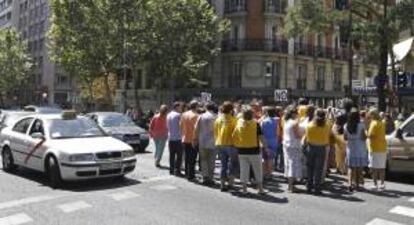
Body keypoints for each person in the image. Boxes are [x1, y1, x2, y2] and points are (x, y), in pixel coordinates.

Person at [233, 107, 267, 195]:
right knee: (258, 170)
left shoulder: (239, 123)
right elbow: (261, 137)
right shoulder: (255, 124)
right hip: (254, 150)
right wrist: (266, 147)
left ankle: (244, 189)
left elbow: (234, 136)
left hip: (242, 150)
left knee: (244, 170)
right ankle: (260, 189)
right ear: (252, 115)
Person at [304, 109, 333, 195]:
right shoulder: (327, 126)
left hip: (310, 147)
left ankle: (309, 186)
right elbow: (329, 123)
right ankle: (317, 188)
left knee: (310, 168)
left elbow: (306, 137)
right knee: (319, 169)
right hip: (321, 148)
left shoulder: (309, 126)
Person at [214, 102, 238, 192]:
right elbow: (236, 134)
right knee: (233, 164)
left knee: (223, 165)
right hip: (231, 144)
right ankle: (231, 184)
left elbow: (215, 133)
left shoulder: (218, 119)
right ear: (231, 110)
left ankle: (222, 184)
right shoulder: (234, 120)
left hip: (220, 144)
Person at [193, 102, 217, 185]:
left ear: (206, 108)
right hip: (213, 142)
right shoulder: (216, 117)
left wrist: (195, 139)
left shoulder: (201, 116)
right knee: (211, 161)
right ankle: (211, 177)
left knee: (203, 160)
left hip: (202, 141)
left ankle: (205, 177)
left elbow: (196, 129)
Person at [344, 108, 368, 192]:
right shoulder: (361, 125)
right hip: (360, 148)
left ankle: (350, 183)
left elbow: (345, 137)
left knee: (351, 168)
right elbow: (363, 137)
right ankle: (357, 185)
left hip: (350, 147)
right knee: (358, 168)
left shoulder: (346, 125)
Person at [283, 106, 303, 193]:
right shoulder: (294, 123)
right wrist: (303, 133)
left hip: (287, 144)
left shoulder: (286, 121)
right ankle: (291, 186)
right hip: (293, 145)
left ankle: (290, 185)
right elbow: (297, 135)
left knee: (288, 164)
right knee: (293, 165)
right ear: (294, 114)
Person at [367, 108, 387, 190]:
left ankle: (375, 184)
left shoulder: (373, 123)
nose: (369, 115)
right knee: (382, 168)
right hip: (382, 147)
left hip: (374, 148)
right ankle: (382, 184)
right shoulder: (381, 123)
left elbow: (370, 135)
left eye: (370, 114)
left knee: (374, 168)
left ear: (373, 115)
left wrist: (365, 132)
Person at [180, 100, 200, 181]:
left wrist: (183, 134)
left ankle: (187, 174)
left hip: (185, 138)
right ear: (196, 106)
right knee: (192, 159)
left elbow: (180, 125)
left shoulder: (184, 114)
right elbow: (197, 129)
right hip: (193, 139)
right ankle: (191, 175)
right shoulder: (196, 116)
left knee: (187, 158)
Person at [260, 106, 279, 179]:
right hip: (273, 142)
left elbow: (261, 132)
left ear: (267, 113)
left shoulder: (263, 121)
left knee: (264, 158)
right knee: (271, 159)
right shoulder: (277, 121)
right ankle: (269, 174)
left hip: (264, 141)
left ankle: (264, 173)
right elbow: (277, 132)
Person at [167, 102, 184, 176]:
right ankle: (177, 171)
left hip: (171, 137)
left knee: (172, 155)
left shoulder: (168, 115)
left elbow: (167, 126)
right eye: (180, 107)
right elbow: (181, 126)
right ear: (177, 107)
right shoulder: (178, 115)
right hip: (178, 138)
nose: (181, 109)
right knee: (179, 156)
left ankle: (171, 170)